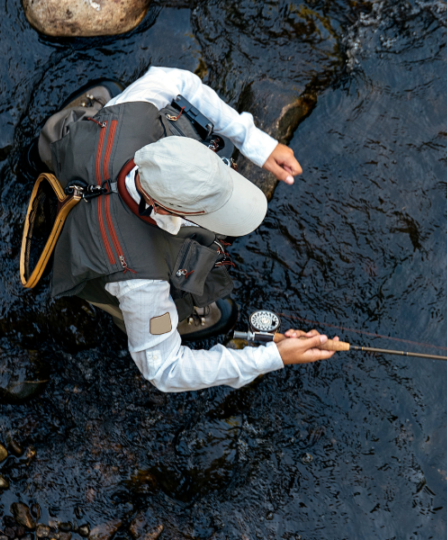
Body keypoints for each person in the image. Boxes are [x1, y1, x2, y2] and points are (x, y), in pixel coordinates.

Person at [35, 66, 338, 392]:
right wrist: (272, 357)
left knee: (108, 101)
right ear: (166, 208)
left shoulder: (132, 117)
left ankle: (51, 140)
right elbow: (163, 369)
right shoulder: (140, 281)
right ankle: (127, 314)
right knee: (154, 300)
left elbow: (176, 80)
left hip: (81, 156)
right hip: (107, 264)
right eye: (210, 211)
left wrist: (255, 143)